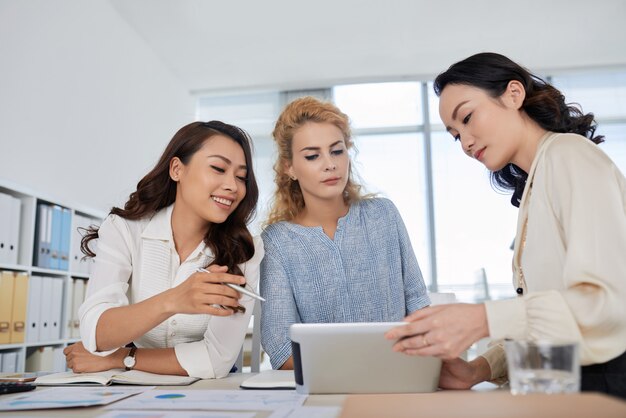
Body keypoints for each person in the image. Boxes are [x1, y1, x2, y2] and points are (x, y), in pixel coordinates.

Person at [385, 52, 626, 398]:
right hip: (561, 383)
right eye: (455, 135)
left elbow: (606, 304)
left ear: (514, 94)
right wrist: (476, 370)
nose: (466, 143)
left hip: (604, 388)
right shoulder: (537, 182)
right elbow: (550, 321)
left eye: (467, 118)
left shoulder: (569, 155)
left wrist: (483, 318)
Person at [63, 121, 264, 378]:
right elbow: (96, 332)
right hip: (132, 387)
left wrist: (120, 358)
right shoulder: (125, 229)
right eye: (218, 168)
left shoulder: (246, 249)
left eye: (241, 177)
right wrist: (174, 300)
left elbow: (216, 361)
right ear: (177, 169)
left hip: (206, 390)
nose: (232, 186)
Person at [260, 96, 430, 370]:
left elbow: (418, 305)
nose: (330, 164)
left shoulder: (383, 216)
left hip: (398, 377)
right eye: (313, 156)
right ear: (289, 167)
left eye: (337, 151)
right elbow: (280, 347)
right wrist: (353, 367)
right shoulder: (278, 241)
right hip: (324, 391)